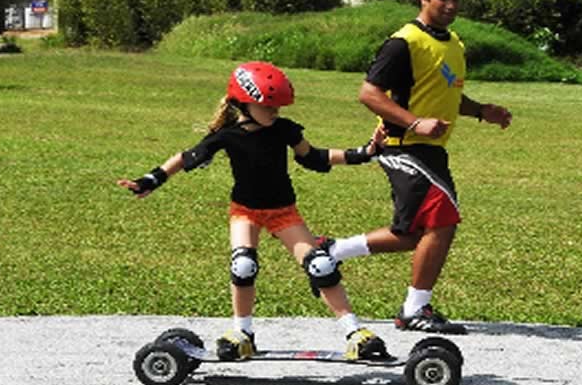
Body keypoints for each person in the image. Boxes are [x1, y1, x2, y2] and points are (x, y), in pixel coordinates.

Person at [118, 61, 390, 361]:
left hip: (283, 212)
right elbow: (185, 158)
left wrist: (363, 153)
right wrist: (149, 180)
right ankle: (242, 334)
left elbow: (314, 157)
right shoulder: (227, 136)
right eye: (269, 106)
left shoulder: (284, 130)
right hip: (245, 212)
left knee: (320, 265)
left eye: (278, 107)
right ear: (244, 104)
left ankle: (355, 333)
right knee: (243, 266)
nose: (275, 112)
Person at [325, 0, 513, 334]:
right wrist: (413, 122)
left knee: (413, 233)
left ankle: (330, 252)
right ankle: (415, 309)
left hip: (430, 150)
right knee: (443, 221)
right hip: (404, 146)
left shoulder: (453, 43)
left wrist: (481, 111)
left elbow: (446, 94)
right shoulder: (403, 43)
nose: (451, 6)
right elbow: (369, 94)